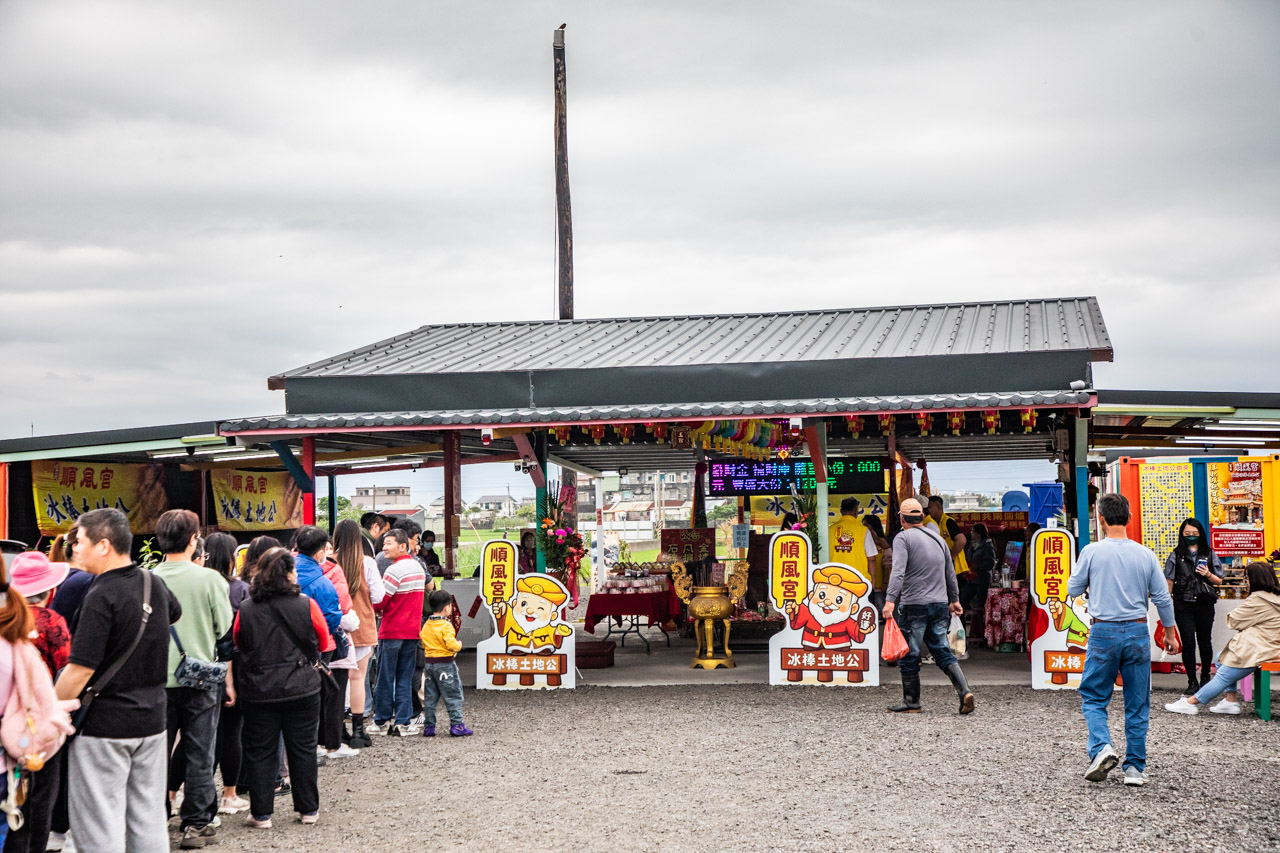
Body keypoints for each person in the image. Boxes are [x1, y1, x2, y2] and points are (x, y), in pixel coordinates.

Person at [54, 508, 183, 853]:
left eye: (79, 541)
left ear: (104, 545)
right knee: (148, 819)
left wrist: (51, 707)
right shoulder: (151, 581)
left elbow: (80, 670)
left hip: (103, 728)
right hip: (153, 721)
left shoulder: (99, 596)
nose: (74, 549)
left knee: (99, 824)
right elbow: (174, 612)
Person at [1068, 493, 1178, 787]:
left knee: (1093, 697)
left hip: (1103, 631)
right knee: (1137, 702)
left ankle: (1102, 747)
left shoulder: (1091, 552)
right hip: (1137, 631)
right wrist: (1169, 632)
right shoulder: (1146, 554)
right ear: (1129, 518)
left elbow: (1073, 588)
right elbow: (1162, 598)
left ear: (1100, 519)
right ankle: (1134, 770)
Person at [232, 547, 333, 829]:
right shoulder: (306, 604)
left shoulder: (247, 608)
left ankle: (261, 814)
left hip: (259, 689)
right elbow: (323, 642)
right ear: (290, 573)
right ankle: (308, 810)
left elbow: (240, 642)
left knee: (261, 750)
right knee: (302, 748)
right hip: (302, 686)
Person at [150, 510, 234, 848]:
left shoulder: (148, 578)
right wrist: (229, 680)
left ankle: (154, 820)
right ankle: (196, 824)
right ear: (192, 540)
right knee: (201, 751)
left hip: (155, 680)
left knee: (155, 753)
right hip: (201, 677)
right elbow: (225, 637)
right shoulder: (210, 579)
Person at [881, 498, 974, 714]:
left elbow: (898, 571)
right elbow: (950, 571)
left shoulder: (903, 538)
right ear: (922, 517)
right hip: (940, 604)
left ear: (902, 519)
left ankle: (912, 702)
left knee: (910, 653)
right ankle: (964, 691)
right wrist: (955, 599)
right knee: (941, 651)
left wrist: (889, 600)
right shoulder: (938, 539)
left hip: (914, 605)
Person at [6, 551, 72, 853]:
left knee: (13, 793)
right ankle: (37, 845)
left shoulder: (7, 621)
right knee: (44, 791)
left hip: (11, 718)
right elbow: (66, 667)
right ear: (49, 590)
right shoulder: (53, 621)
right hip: (44, 718)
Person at [1164, 561, 1280, 716]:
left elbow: (1233, 620)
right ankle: (1230, 702)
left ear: (1254, 580)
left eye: (1246, 578)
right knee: (1221, 658)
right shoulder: (1274, 597)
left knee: (1222, 677)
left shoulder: (1258, 600)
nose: (1245, 582)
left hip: (1258, 649)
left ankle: (1191, 703)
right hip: (1270, 645)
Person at [203, 533, 250, 815]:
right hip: (235, 665)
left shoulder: (199, 585)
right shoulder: (240, 589)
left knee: (200, 735)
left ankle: (178, 795)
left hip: (198, 664)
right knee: (232, 731)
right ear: (231, 558)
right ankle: (229, 794)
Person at [371, 529, 427, 736]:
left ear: (402, 546)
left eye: (388, 543)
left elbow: (380, 600)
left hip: (392, 630)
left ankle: (382, 721)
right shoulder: (418, 567)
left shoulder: (394, 570)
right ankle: (403, 723)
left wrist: (376, 608)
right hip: (412, 631)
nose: (384, 547)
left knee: (385, 677)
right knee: (405, 677)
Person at [332, 519, 381, 748]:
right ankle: (359, 732)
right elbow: (379, 596)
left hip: (335, 627)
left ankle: (337, 730)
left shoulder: (329, 562)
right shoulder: (368, 563)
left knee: (336, 681)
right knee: (358, 678)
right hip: (362, 624)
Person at [1163, 518, 1224, 695]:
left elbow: (1219, 580)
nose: (1191, 537)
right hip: (1183, 603)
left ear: (1201, 534)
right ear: (1182, 535)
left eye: (1195, 534)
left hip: (1204, 603)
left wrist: (1208, 574)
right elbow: (1169, 582)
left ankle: (1206, 677)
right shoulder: (1176, 555)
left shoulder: (1209, 553)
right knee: (1188, 642)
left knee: (1205, 642)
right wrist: (1167, 603)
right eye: (1187, 534)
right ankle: (1191, 681)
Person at [319, 540, 361, 759]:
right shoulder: (334, 572)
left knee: (316, 697)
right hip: (335, 644)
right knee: (335, 695)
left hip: (310, 648)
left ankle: (316, 743)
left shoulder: (294, 570)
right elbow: (346, 615)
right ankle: (333, 744)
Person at [418, 589, 473, 737]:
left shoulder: (427, 624)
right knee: (453, 694)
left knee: (430, 696)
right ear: (446, 608)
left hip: (429, 665)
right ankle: (457, 725)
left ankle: (429, 727)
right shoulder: (446, 625)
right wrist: (459, 645)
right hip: (446, 665)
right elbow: (451, 644)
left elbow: (422, 640)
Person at [827, 497, 879, 580]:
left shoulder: (829, 530)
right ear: (856, 511)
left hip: (835, 579)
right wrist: (872, 581)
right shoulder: (864, 530)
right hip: (859, 580)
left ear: (841, 511)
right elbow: (871, 559)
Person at [963, 522, 996, 640]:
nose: (972, 534)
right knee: (964, 600)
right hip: (971, 579)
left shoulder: (987, 545)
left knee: (981, 605)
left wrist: (978, 566)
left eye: (974, 532)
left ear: (979, 533)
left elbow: (990, 562)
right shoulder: (972, 545)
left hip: (982, 580)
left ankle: (983, 634)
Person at [925, 496, 968, 579]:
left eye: (929, 507)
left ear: (939, 507)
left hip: (956, 569)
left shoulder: (948, 521)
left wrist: (951, 557)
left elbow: (961, 540)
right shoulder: (933, 523)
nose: (928, 510)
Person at [861, 514, 892, 614]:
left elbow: (888, 566)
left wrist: (885, 584)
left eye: (866, 526)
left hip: (880, 587)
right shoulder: (862, 542)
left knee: (884, 614)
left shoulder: (883, 544)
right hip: (866, 584)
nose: (864, 529)